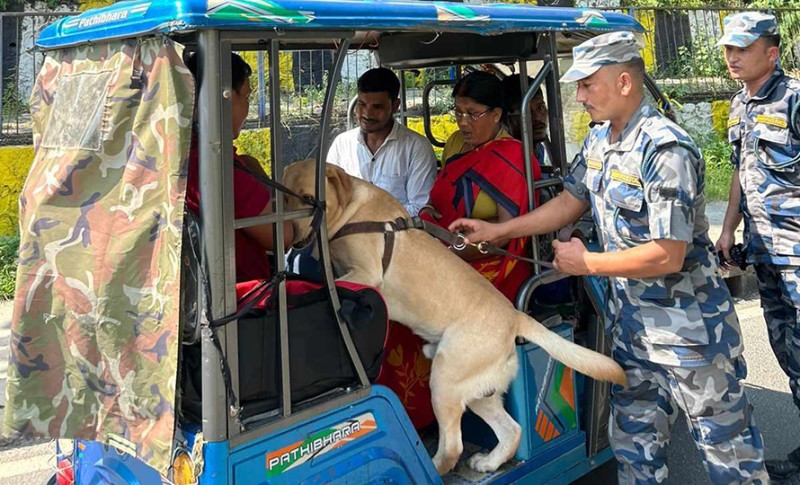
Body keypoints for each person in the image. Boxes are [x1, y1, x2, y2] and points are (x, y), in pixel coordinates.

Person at [450, 32, 768, 484]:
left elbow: (667, 254)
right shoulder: (601, 140)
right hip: (633, 330)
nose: (577, 96)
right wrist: (500, 229)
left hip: (690, 335)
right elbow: (568, 202)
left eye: (586, 84)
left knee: (728, 454)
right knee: (635, 448)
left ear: (623, 82)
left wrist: (589, 264)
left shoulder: (665, 148)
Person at [714, 12, 800, 482]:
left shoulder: (795, 99)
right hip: (765, 255)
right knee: (790, 355)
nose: (732, 56)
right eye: (728, 47)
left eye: (742, 47)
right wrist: (727, 229)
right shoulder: (738, 105)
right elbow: (740, 173)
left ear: (772, 52)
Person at [420, 71, 541, 301]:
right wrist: (427, 211)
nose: (463, 122)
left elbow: (506, 233)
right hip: (443, 249)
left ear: (496, 114)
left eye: (473, 114)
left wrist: (446, 254)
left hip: (490, 266)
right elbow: (442, 192)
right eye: (458, 112)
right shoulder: (455, 142)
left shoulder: (513, 156)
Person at [185, 52, 293, 282]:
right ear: (223, 97)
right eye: (246, 97)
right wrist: (264, 180)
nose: (247, 107)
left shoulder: (174, 155)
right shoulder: (222, 170)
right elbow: (282, 237)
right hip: (244, 301)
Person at [326, 67, 437, 215]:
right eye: (362, 104)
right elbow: (329, 199)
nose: (367, 114)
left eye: (377, 107)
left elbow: (419, 208)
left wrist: (369, 223)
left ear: (395, 106)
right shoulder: (342, 144)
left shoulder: (416, 147)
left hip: (399, 235)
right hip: (346, 235)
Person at [501, 74, 552, 166]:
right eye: (526, 112)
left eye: (540, 107)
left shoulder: (538, 149)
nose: (537, 118)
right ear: (505, 118)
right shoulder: (504, 161)